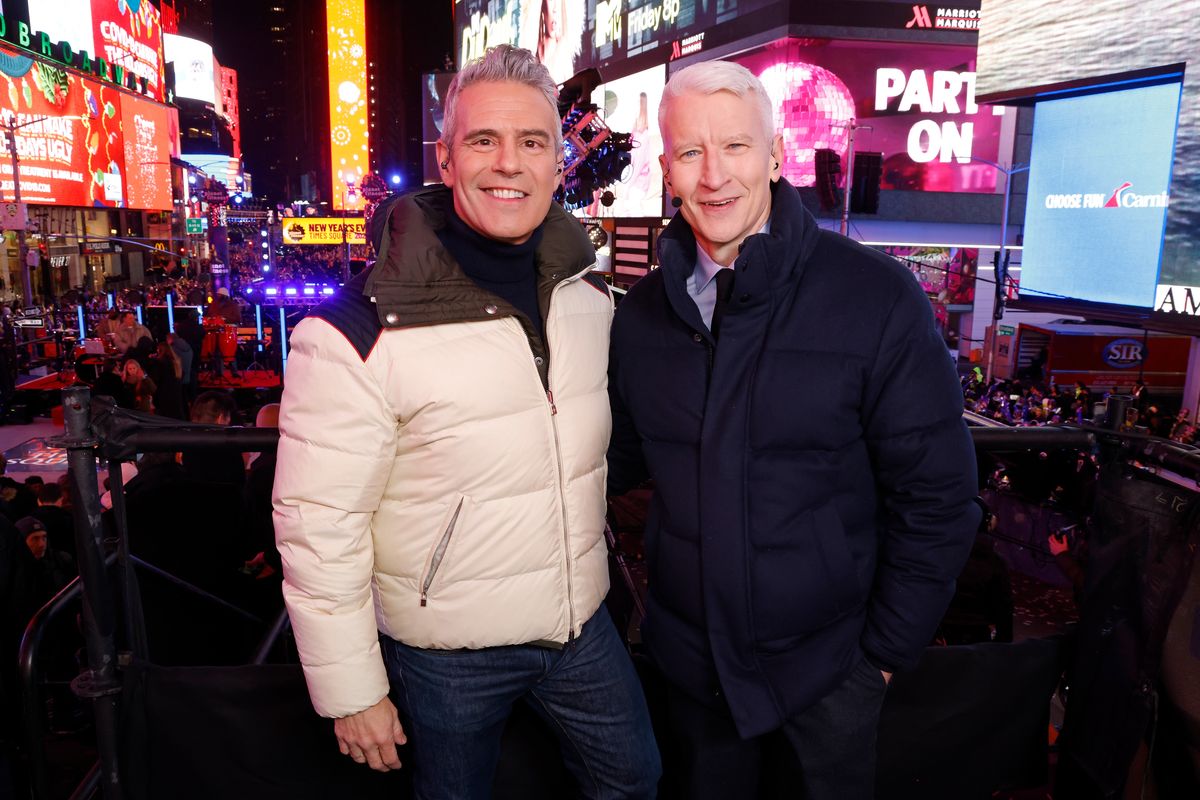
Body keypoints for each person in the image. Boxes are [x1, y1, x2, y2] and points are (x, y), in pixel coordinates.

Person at [273, 44, 660, 798]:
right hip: (446, 650)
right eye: (484, 141)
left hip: (581, 625)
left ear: (557, 162)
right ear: (447, 159)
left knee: (635, 780)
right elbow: (318, 524)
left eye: (531, 143)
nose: (508, 164)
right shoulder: (359, 330)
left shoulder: (588, 301)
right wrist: (352, 690)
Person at [606, 60, 979, 799]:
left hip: (831, 674)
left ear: (776, 156)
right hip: (695, 676)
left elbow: (938, 497)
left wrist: (880, 655)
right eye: (690, 152)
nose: (715, 176)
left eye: (736, 147)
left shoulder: (875, 296)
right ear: (666, 169)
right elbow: (607, 465)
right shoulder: (641, 315)